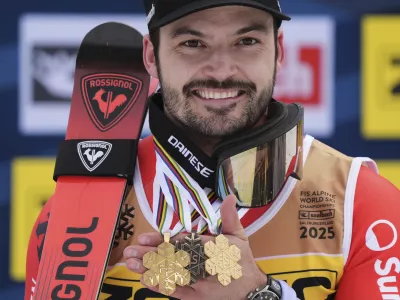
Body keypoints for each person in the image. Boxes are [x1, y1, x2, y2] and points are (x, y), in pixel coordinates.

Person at [25, 1, 400, 299]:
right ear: (151, 55)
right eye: (192, 43)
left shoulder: (361, 205)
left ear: (278, 50)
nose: (221, 69)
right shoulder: (73, 218)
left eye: (247, 41)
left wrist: (259, 295)